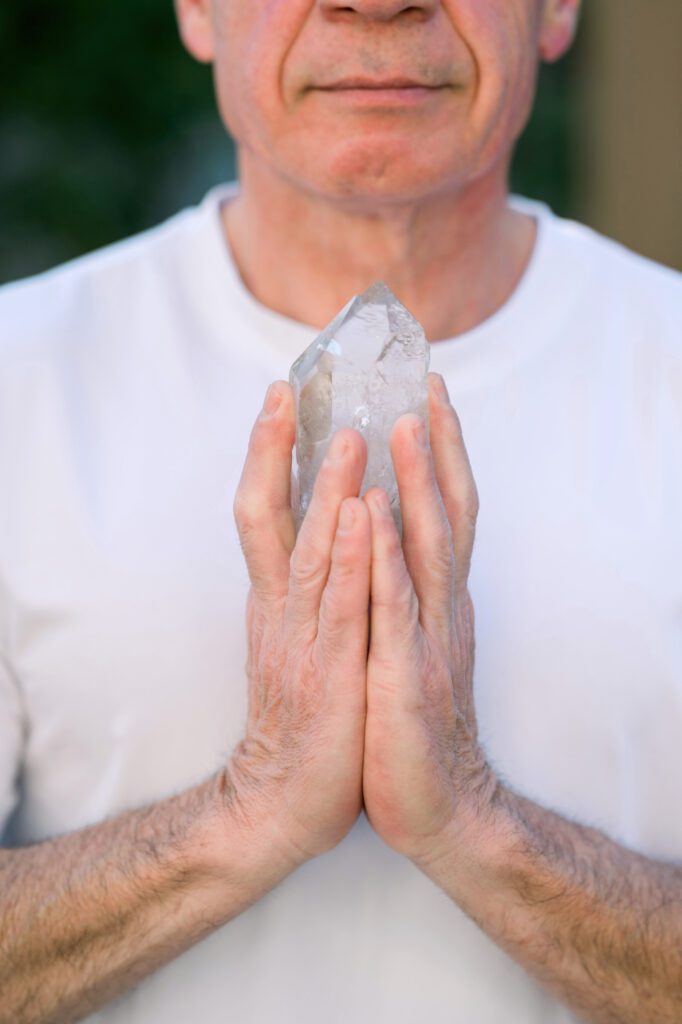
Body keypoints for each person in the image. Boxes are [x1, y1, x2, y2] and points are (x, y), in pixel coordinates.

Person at [0, 0, 680, 1020]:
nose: (375, 2)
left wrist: (475, 824)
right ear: (194, 8)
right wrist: (248, 810)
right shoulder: (20, 381)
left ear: (557, 9)